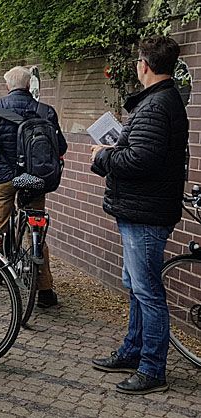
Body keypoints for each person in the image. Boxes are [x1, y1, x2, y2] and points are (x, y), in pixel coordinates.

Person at [90, 35, 188, 395]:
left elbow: (140, 160)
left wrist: (103, 156)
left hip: (145, 212)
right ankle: (133, 351)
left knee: (147, 291)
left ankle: (152, 369)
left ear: (143, 65)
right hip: (143, 207)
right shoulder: (162, 102)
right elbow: (146, 152)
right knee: (136, 287)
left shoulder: (156, 105)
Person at [0, 66, 67, 308]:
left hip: (6, 177)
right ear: (28, 86)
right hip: (33, 179)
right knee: (37, 229)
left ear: (7, 87)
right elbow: (61, 147)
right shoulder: (46, 111)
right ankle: (45, 291)